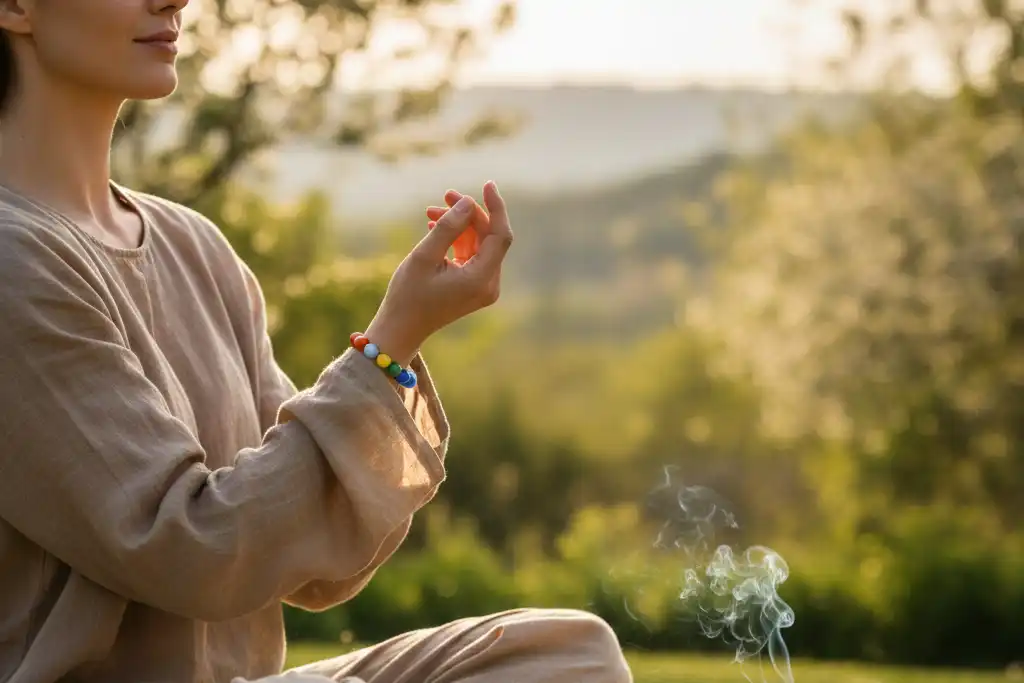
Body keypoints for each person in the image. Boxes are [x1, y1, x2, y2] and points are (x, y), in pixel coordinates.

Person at [0, 1, 634, 682]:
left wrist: (395, 351)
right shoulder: (14, 260)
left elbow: (307, 557)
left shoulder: (195, 247)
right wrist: (391, 338)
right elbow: (194, 549)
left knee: (567, 654)